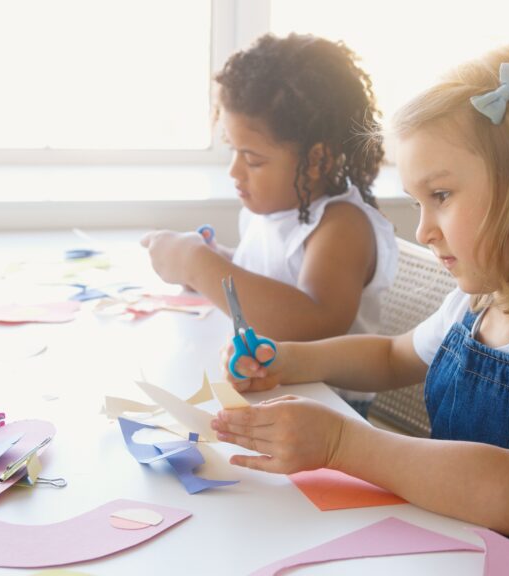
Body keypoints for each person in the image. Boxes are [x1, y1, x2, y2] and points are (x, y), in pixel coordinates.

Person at [211, 39, 509, 576]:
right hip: (454, 546)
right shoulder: (478, 300)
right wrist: (292, 360)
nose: (422, 229)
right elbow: (394, 356)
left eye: (440, 196)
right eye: (419, 203)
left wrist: (341, 441)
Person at [140, 34, 398, 413]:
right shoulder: (272, 211)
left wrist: (199, 264)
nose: (234, 171)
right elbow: (269, 282)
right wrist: (217, 259)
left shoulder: (341, 226)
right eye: (232, 150)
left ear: (317, 160)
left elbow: (311, 324)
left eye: (253, 159)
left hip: (327, 414)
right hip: (268, 391)